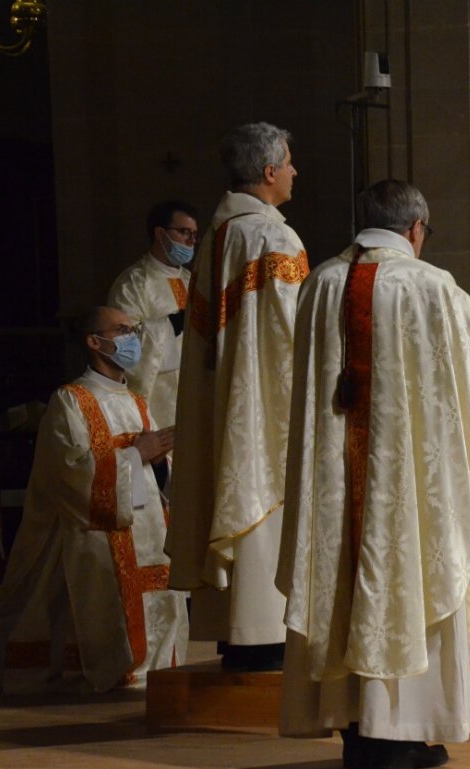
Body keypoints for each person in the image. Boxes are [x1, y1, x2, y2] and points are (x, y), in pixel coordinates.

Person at [277, 180, 470, 769]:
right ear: (417, 228)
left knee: (344, 582)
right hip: (406, 488)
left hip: (335, 481)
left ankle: (355, 729)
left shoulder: (320, 282)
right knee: (410, 579)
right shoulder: (431, 287)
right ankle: (398, 731)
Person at [0, 306, 187, 693]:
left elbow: (157, 470)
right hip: (103, 533)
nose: (133, 338)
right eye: (123, 330)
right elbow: (71, 475)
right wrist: (136, 455)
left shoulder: (137, 402)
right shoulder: (70, 401)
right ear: (94, 341)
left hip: (149, 530)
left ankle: (159, 668)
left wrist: (158, 463)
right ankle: (118, 670)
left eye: (134, 330)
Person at [166, 122, 308, 671]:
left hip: (228, 390)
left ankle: (238, 627)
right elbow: (289, 329)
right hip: (266, 396)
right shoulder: (271, 238)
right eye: (290, 163)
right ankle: (262, 630)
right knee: (262, 485)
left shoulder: (222, 233)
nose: (295, 172)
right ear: (269, 170)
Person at [107, 200, 198, 470]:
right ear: (160, 234)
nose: (191, 241)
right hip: (159, 400)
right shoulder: (133, 284)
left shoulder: (192, 280)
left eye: (195, 235)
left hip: (194, 395)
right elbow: (122, 346)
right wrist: (172, 325)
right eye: (184, 233)